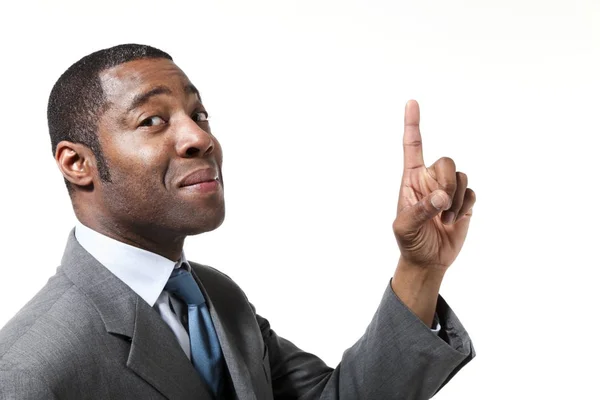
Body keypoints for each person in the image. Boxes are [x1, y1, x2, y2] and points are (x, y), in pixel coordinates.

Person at [0, 44, 476, 399]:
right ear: (76, 163)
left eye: (198, 113)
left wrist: (420, 268)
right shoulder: (29, 369)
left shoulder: (217, 300)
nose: (199, 137)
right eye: (152, 121)